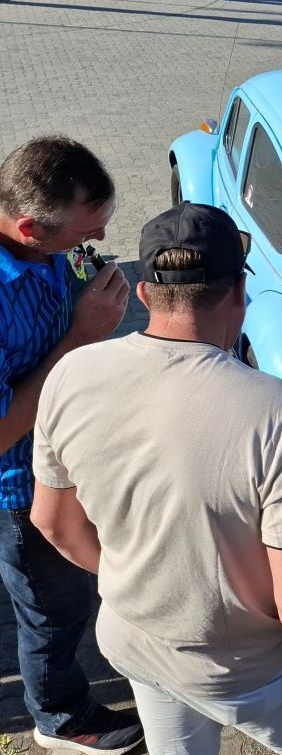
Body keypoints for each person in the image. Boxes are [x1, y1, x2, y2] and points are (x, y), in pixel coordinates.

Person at [31, 203, 282, 755]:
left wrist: (146, 583)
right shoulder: (278, 412)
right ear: (237, 293)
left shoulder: (71, 374)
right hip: (259, 674)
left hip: (138, 645)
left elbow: (53, 521)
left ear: (143, 294)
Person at [0, 136, 140, 754]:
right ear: (29, 227)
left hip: (69, 457)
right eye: (85, 233)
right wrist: (83, 335)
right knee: (53, 612)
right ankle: (59, 719)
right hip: (20, 491)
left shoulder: (36, 245)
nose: (95, 243)